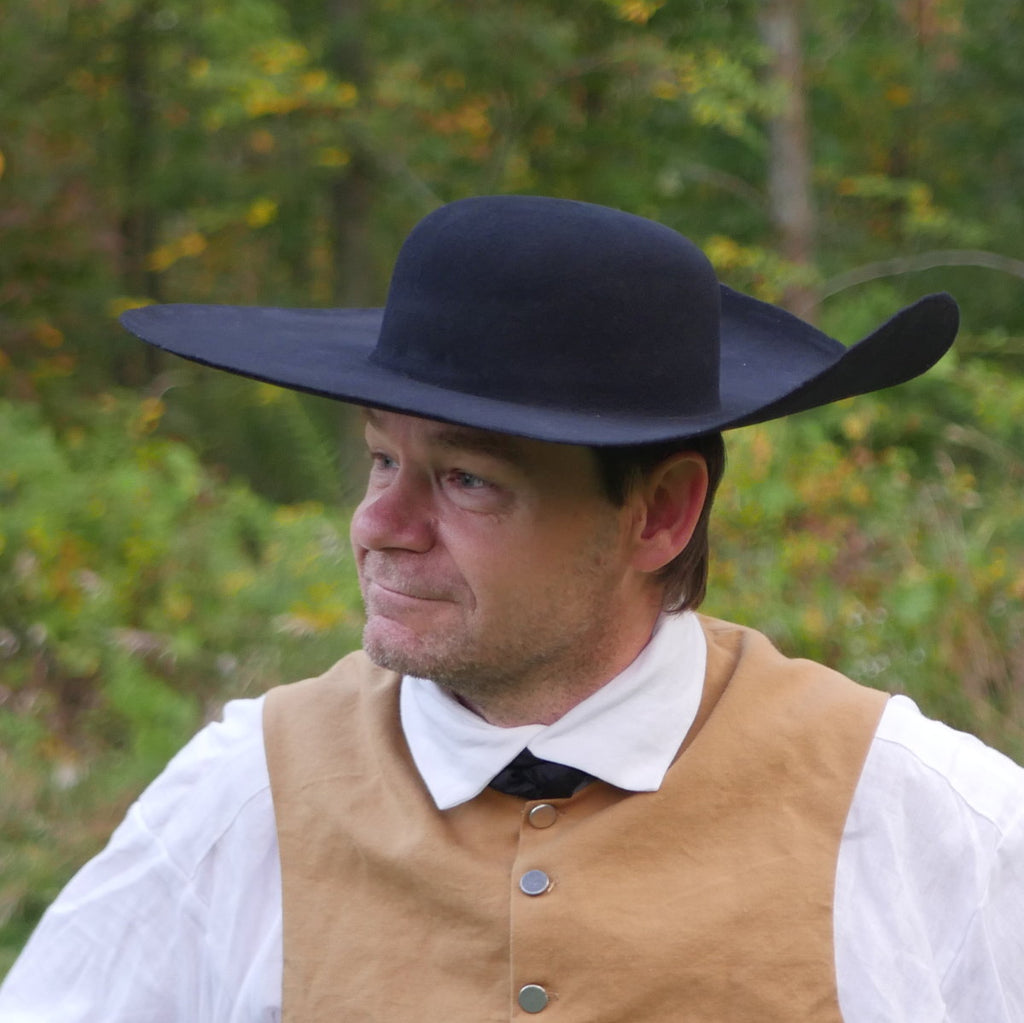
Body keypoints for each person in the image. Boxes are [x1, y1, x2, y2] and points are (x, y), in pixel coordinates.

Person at [1, 195, 1021, 1022]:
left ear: (660, 514)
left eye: (468, 481)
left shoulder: (909, 811)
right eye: (382, 458)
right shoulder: (247, 796)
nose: (380, 524)